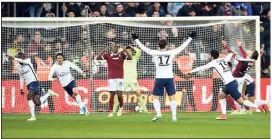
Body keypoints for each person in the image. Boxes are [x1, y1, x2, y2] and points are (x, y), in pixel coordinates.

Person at [131, 31, 196, 122]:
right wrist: (190, 38)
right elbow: (182, 47)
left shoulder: (155, 52)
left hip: (159, 78)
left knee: (155, 98)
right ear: (167, 46)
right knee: (172, 98)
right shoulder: (171, 52)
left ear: (159, 46)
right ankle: (174, 117)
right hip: (169, 78)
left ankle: (158, 114)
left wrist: (136, 40)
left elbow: (144, 48)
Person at [189, 50, 268, 120]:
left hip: (230, 84)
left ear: (212, 56)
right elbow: (228, 57)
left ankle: (259, 107)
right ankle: (223, 115)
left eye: (210, 55)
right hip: (232, 82)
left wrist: (191, 71)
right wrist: (230, 52)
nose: (210, 57)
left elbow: (202, 67)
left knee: (241, 101)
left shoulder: (213, 63)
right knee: (221, 95)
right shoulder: (223, 59)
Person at [222, 39, 269, 115]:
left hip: (236, 79)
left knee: (236, 96)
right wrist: (240, 46)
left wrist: (226, 46)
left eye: (251, 51)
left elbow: (232, 55)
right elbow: (244, 55)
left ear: (252, 54)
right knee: (240, 97)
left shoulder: (244, 60)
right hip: (241, 79)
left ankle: (243, 109)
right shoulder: (251, 60)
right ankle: (247, 109)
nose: (249, 51)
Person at [8, 52, 58, 121]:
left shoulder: (28, 61)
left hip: (35, 82)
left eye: (22, 57)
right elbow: (21, 77)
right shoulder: (18, 67)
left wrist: (14, 58)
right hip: (28, 85)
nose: (22, 58)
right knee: (38, 102)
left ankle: (33, 116)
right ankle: (48, 93)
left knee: (29, 96)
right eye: (20, 57)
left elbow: (22, 61)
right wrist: (21, 88)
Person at [96, 42, 132, 117]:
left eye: (116, 46)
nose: (114, 47)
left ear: (118, 48)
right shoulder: (108, 55)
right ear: (111, 48)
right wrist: (103, 50)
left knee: (119, 95)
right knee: (112, 94)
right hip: (111, 78)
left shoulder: (121, 54)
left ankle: (121, 108)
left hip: (120, 78)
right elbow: (97, 58)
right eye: (113, 46)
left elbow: (130, 58)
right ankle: (111, 111)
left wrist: (125, 49)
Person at [113, 45, 148, 113]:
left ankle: (145, 110)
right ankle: (113, 110)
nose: (128, 52)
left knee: (138, 94)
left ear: (132, 52)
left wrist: (131, 47)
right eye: (127, 51)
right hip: (124, 80)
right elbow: (117, 53)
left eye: (130, 51)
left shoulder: (135, 58)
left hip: (133, 80)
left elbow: (139, 51)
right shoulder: (123, 58)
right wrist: (123, 49)